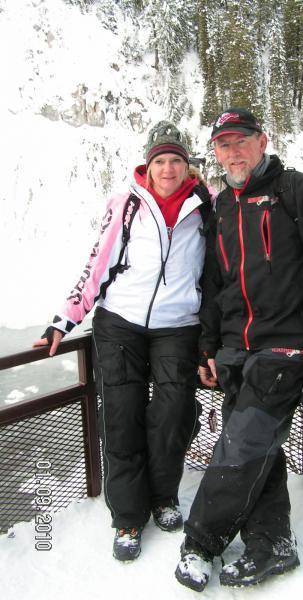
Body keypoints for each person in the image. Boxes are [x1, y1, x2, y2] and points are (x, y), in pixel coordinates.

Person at [174, 108, 303, 590]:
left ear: (262, 141)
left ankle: (200, 542)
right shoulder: (222, 208)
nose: (233, 152)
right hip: (235, 353)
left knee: (240, 447)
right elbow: (214, 285)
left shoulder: (298, 193)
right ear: (214, 153)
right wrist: (208, 347)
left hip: (285, 353)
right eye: (223, 145)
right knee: (259, 452)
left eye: (241, 141)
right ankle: (273, 543)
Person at [33, 121, 211, 562]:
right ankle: (128, 516)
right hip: (120, 324)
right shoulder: (126, 205)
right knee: (122, 416)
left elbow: (219, 273)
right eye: (159, 161)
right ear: (147, 166)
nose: (167, 168)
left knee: (172, 414)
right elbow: (96, 264)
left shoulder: (205, 206)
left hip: (178, 324)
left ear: (187, 165)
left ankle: (163, 495)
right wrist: (64, 320)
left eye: (175, 160)